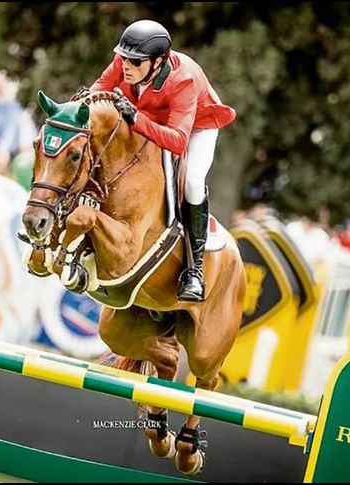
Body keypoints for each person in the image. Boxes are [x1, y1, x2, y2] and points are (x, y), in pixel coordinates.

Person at [78, 19, 236, 302]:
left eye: (135, 62)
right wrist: (85, 101)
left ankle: (194, 269)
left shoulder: (182, 79)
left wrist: (136, 119)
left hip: (196, 127)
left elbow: (177, 140)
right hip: (149, 118)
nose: (126, 65)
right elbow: (100, 87)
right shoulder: (125, 60)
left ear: (157, 62)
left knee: (191, 182)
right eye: (124, 58)